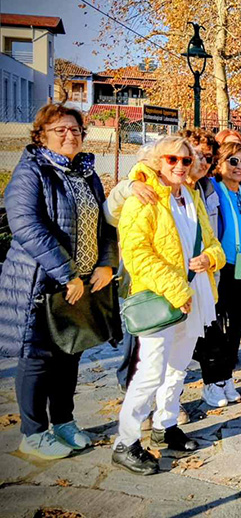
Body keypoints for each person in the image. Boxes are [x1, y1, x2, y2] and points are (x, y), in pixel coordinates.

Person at [0, 104, 118, 460]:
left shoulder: (86, 173)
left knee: (70, 354)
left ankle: (63, 422)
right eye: (60, 130)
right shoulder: (32, 171)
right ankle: (33, 433)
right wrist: (67, 274)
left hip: (81, 284)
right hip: (40, 282)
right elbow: (27, 226)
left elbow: (106, 223)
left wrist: (106, 263)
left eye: (76, 130)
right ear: (42, 136)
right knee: (36, 357)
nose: (70, 136)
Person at [113, 136, 225, 475]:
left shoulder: (191, 195)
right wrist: (177, 290)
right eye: (171, 159)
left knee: (178, 366)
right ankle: (126, 441)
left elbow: (212, 241)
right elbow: (136, 254)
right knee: (149, 371)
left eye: (185, 160)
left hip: (195, 294)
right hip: (162, 296)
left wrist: (210, 258)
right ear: (157, 161)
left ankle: (165, 424)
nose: (179, 166)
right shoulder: (143, 197)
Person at [193, 142, 241, 407]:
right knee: (214, 328)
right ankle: (212, 381)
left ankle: (227, 377)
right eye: (233, 161)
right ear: (220, 163)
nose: (239, 167)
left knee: (237, 326)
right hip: (220, 268)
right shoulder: (211, 189)